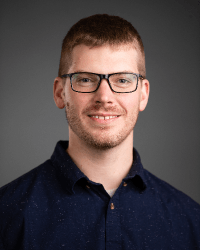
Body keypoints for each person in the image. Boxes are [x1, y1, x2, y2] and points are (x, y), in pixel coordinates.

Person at [0, 14, 199, 250]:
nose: (104, 97)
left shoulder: (191, 222)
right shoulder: (6, 214)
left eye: (123, 80)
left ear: (143, 94)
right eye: (85, 79)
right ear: (59, 92)